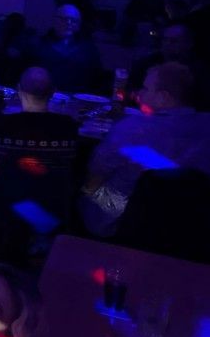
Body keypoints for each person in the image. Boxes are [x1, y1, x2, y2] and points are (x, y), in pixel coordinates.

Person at [81, 62, 210, 237]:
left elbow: (97, 173)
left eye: (145, 88)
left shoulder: (132, 128)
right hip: (189, 220)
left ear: (163, 97)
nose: (140, 93)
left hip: (125, 215)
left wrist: (87, 197)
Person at [0, 67, 81, 261]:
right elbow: (71, 161)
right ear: (53, 92)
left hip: (7, 206)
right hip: (52, 206)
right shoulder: (69, 128)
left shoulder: (0, 125)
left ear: (19, 90)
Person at [128, 20, 210, 110]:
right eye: (165, 40)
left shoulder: (199, 70)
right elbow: (132, 90)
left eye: (174, 41)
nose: (167, 44)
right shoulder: (146, 64)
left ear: (189, 43)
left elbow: (204, 101)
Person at [25, 4, 105, 95]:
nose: (68, 23)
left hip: (77, 99)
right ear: (54, 20)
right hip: (42, 97)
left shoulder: (89, 50)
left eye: (73, 20)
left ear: (79, 24)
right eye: (63, 19)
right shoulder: (37, 45)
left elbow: (97, 78)